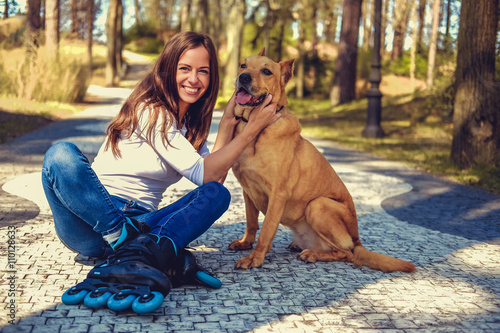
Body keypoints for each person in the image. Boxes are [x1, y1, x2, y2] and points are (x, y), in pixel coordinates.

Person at [41, 32, 280, 293]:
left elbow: (213, 178)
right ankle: (134, 244)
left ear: (212, 78)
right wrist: (250, 131)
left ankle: (134, 248)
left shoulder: (190, 125)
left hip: (143, 220)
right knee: (60, 155)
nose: (194, 79)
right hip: (91, 219)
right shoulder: (150, 110)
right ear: (168, 69)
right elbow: (206, 172)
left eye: (203, 71)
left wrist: (225, 125)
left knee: (217, 195)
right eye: (185, 68)